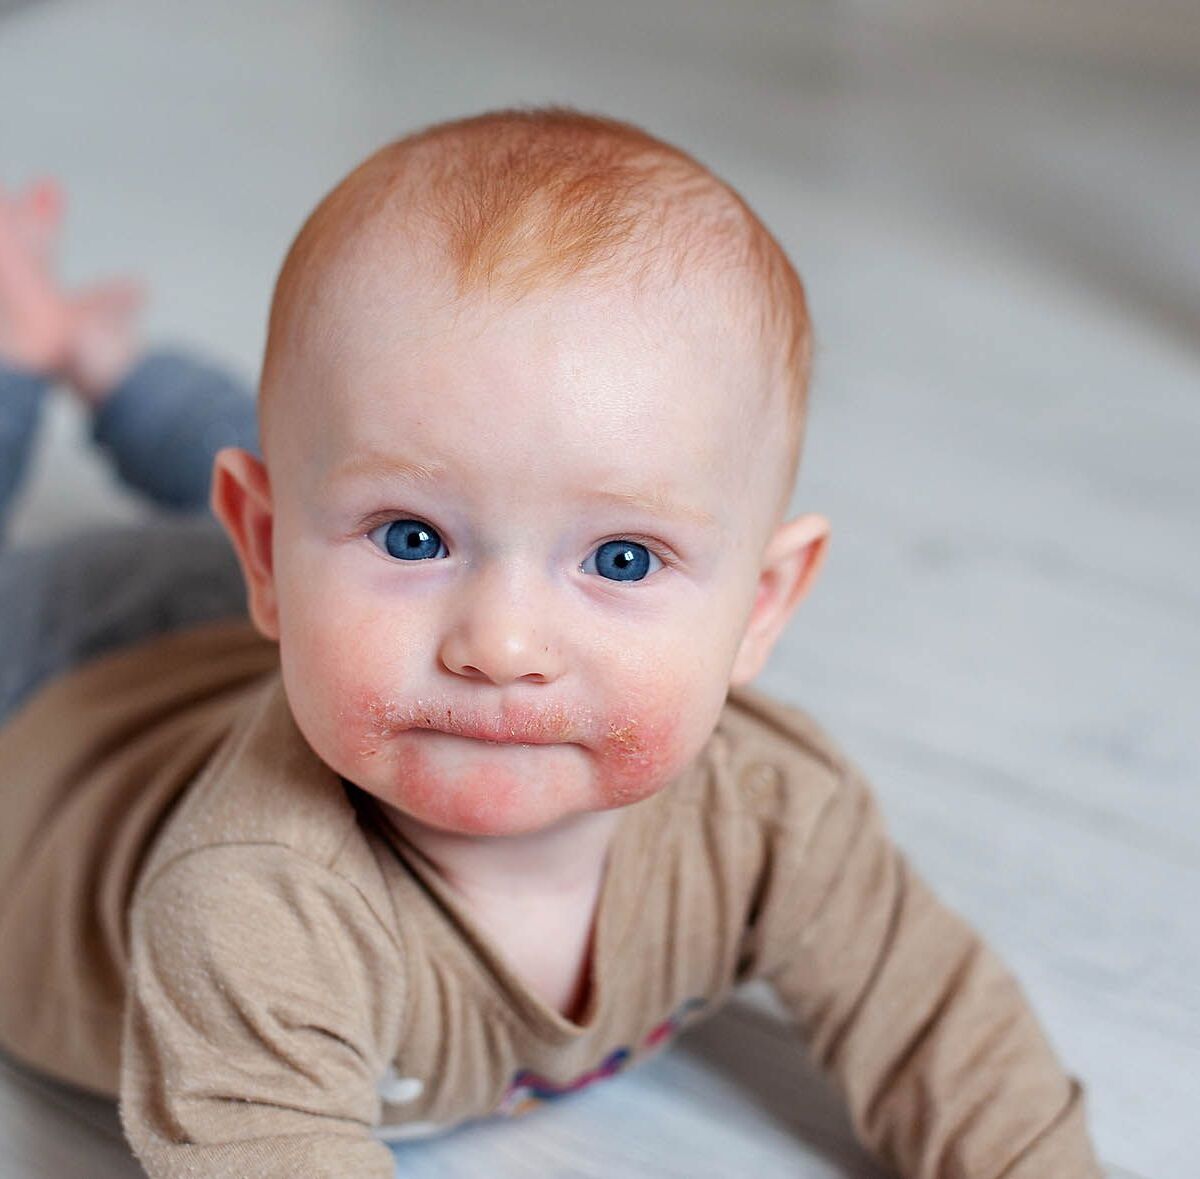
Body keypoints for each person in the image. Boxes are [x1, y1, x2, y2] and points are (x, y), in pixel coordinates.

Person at [0, 109, 1104, 1178]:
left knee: (356, 455)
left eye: (621, 559)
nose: (503, 643)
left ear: (762, 606)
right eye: (416, 538)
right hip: (49, 714)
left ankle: (110, 365)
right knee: (332, 447)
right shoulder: (255, 904)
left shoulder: (771, 819)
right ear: (268, 556)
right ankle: (19, 350)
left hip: (274, 632)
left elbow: (938, 1029)